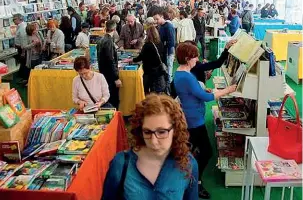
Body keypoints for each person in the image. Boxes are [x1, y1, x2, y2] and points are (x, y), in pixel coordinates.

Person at [102, 94, 199, 200]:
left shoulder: (188, 164)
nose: (153, 141)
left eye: (162, 132)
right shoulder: (121, 163)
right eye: (147, 132)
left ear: (175, 130)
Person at [173, 42, 237, 199]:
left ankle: (190, 178)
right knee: (206, 151)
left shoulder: (181, 73)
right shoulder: (186, 76)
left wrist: (203, 89)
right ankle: (195, 181)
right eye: (195, 56)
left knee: (191, 149)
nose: (197, 59)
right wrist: (227, 90)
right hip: (193, 120)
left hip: (191, 117)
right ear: (188, 58)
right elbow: (206, 97)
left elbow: (195, 92)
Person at [133, 26, 167, 94]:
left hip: (149, 72)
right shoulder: (160, 43)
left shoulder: (147, 45)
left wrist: (131, 59)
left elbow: (140, 57)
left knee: (148, 90)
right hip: (158, 70)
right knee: (157, 90)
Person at [97, 20, 122, 109]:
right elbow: (111, 60)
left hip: (103, 73)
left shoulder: (101, 40)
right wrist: (116, 78)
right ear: (114, 29)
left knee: (107, 97)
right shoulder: (109, 41)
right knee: (113, 99)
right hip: (110, 76)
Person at [152, 7, 175, 83]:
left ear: (162, 16)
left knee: (168, 72)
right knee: (164, 70)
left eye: (157, 19)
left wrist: (163, 44)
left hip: (168, 52)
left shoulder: (168, 26)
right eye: (154, 19)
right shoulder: (161, 26)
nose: (155, 21)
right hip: (164, 52)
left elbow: (172, 42)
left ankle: (169, 90)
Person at [13, 14, 28, 82]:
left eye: (15, 19)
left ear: (20, 19)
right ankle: (24, 78)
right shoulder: (20, 26)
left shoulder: (22, 27)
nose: (13, 20)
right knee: (23, 63)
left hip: (22, 49)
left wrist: (23, 52)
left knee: (24, 63)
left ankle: (25, 79)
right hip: (21, 48)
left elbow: (23, 40)